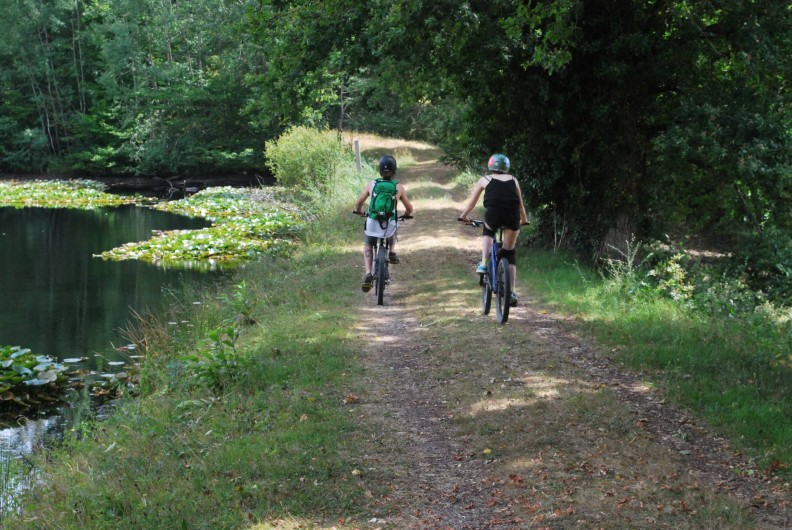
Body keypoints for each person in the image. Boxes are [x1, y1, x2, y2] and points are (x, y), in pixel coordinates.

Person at [459, 153, 528, 306]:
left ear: (491, 165)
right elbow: (520, 205)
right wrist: (524, 220)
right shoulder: (513, 180)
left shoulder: (485, 179)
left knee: (488, 231)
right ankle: (511, 292)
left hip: (494, 214)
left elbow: (471, 203)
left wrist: (464, 216)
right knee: (509, 254)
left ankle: (484, 263)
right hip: (512, 215)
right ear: (506, 167)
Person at [354, 155, 414, 292]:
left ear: (380, 170)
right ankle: (392, 251)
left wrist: (359, 211)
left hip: (373, 222)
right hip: (389, 224)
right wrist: (406, 215)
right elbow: (409, 208)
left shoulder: (371, 184)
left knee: (368, 246)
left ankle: (368, 273)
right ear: (394, 171)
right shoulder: (398, 187)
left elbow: (359, 203)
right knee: (393, 226)